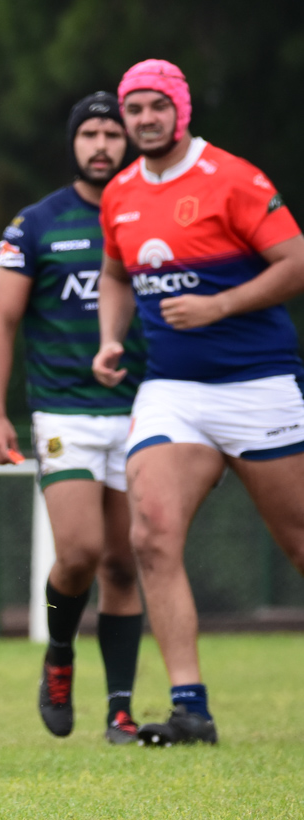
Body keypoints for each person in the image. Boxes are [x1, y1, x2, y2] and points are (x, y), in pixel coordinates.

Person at [94, 59, 304, 746]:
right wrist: (110, 339)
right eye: (135, 109)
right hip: (173, 391)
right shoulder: (119, 192)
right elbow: (116, 273)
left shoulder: (233, 178)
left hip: (259, 383)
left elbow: (296, 261)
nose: (145, 119)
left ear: (180, 110)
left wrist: (220, 304)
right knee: (150, 535)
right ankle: (191, 710)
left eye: (158, 106)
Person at [0, 93, 148, 744]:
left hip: (142, 411)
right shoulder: (36, 225)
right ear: (74, 144)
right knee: (79, 554)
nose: (103, 144)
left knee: (124, 564)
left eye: (113, 132)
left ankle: (121, 708)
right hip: (65, 411)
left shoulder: (146, 214)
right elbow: (0, 320)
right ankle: (59, 654)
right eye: (91, 134)